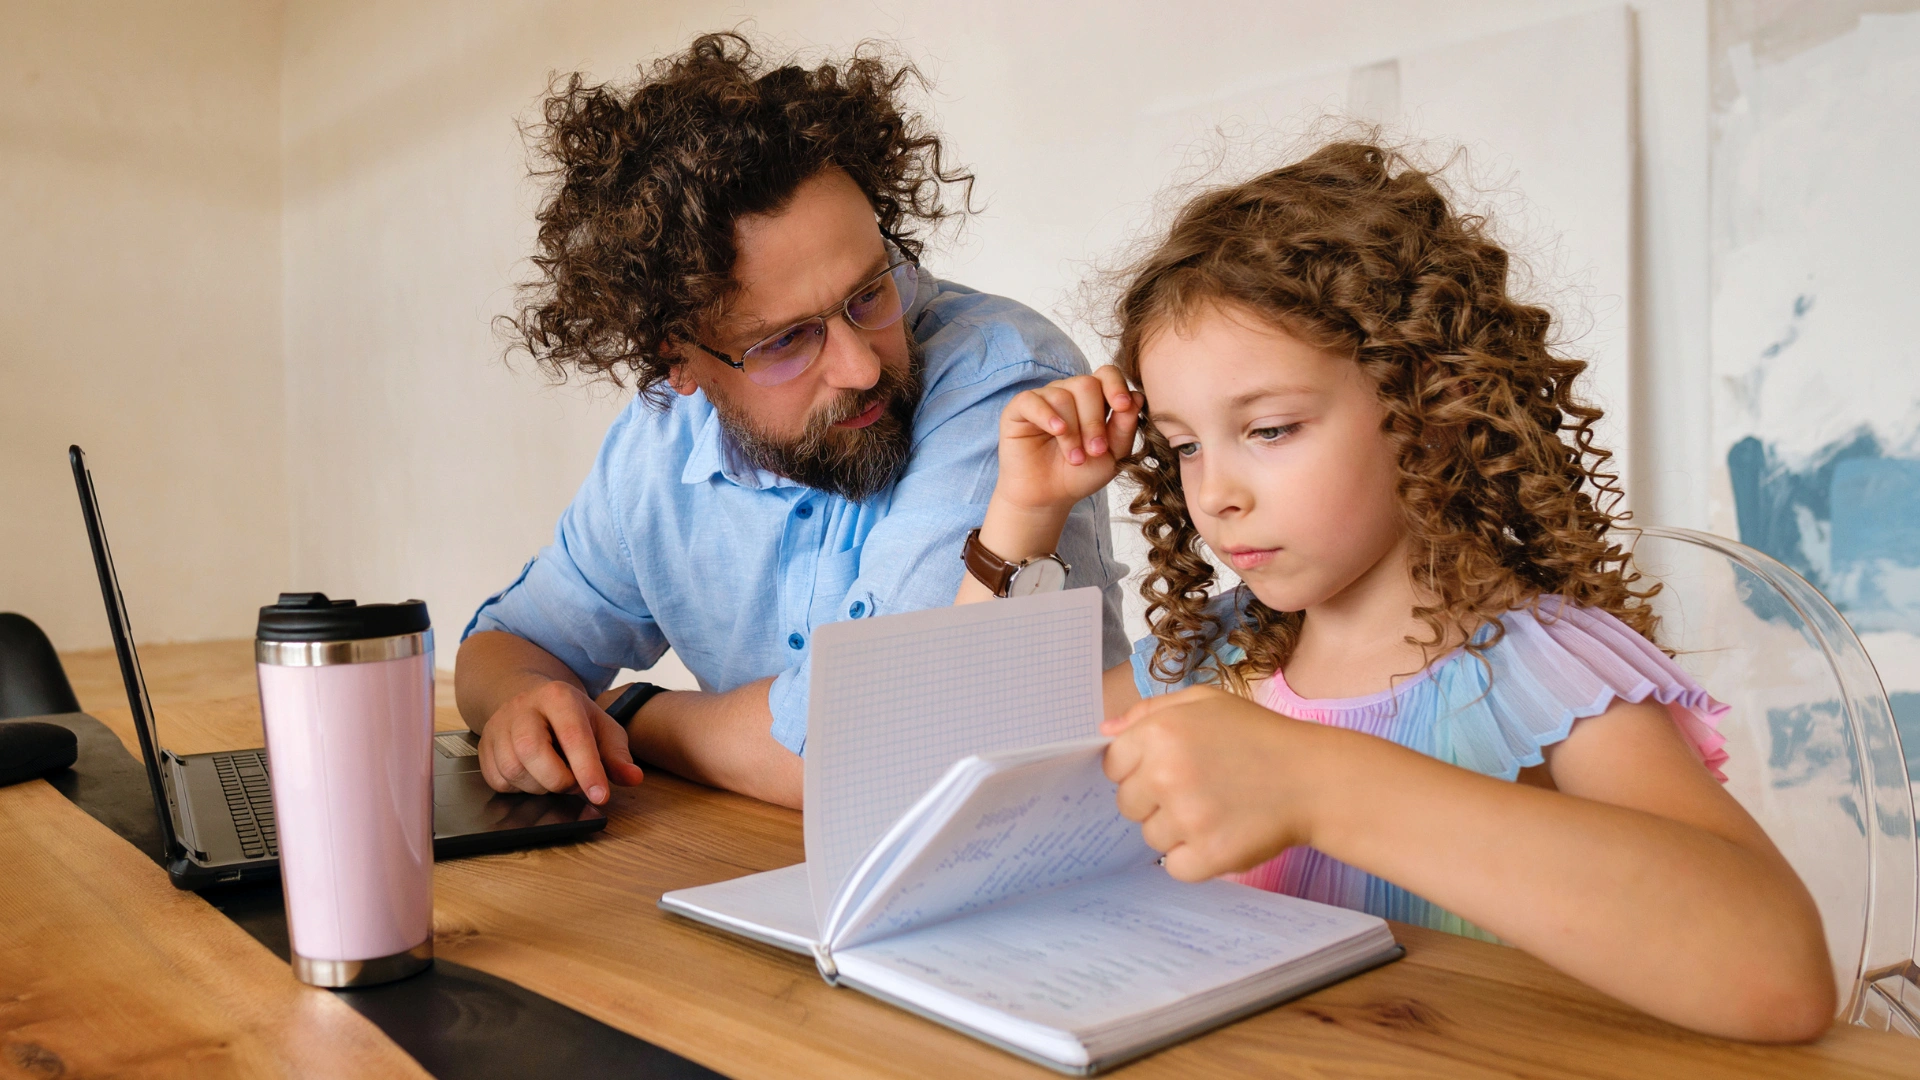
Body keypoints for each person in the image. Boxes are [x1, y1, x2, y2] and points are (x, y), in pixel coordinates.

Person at [954, 142, 1835, 1040]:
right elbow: (957, 758)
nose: (1215, 490)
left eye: (1268, 428)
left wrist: (1318, 783)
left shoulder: (1538, 674)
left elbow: (1781, 975)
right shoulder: (1210, 660)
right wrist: (1022, 514)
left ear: (1429, 406)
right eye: (1184, 445)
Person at [456, 34, 1128, 811]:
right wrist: (526, 704)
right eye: (785, 341)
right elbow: (505, 649)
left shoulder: (1005, 384)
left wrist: (636, 716)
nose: (862, 367)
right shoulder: (663, 434)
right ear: (679, 362)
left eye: (870, 294)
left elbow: (881, 749)